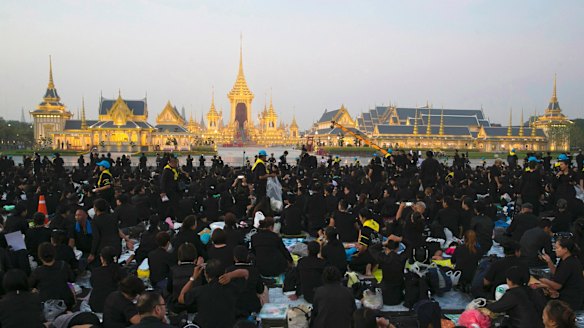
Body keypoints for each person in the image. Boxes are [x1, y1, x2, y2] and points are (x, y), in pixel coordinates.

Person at [178, 259, 248, 328]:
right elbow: (245, 273)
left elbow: (181, 298)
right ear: (224, 272)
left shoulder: (199, 291)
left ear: (206, 274)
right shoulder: (233, 288)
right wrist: (230, 275)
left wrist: (193, 277)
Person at [538, 237, 584, 310]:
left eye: (557, 248)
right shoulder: (565, 260)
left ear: (565, 249)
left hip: (570, 299)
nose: (555, 250)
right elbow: (557, 274)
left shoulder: (569, 263)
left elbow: (557, 286)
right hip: (566, 295)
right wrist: (549, 261)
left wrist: (544, 281)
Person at [29, 242, 75, 309]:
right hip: (66, 302)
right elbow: (72, 279)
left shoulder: (37, 272)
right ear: (54, 253)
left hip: (48, 306)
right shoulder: (63, 265)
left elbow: (28, 286)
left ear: (40, 256)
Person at [226, 245, 264, 317]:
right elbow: (260, 289)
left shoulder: (229, 271)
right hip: (252, 306)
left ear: (234, 258)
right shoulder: (254, 270)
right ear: (247, 257)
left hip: (235, 306)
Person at [89, 246, 128, 313]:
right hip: (114, 306)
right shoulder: (120, 271)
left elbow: (93, 284)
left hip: (96, 305)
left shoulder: (96, 271)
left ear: (102, 258)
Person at [369, 240, 408, 305]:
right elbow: (411, 247)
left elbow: (371, 248)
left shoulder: (383, 258)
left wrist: (384, 243)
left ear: (386, 248)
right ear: (398, 248)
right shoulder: (401, 258)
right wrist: (401, 239)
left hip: (385, 295)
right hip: (398, 295)